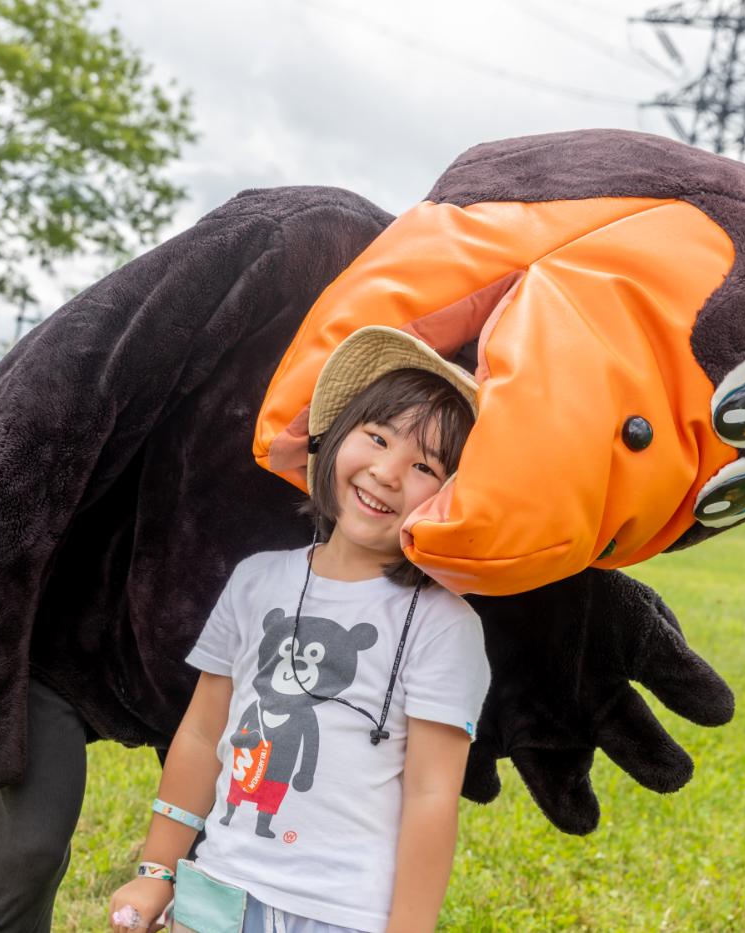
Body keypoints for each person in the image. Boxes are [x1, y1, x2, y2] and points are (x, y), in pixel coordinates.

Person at [108, 326, 492, 933]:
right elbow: (202, 732)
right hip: (216, 892)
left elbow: (431, 796)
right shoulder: (257, 581)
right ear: (337, 436)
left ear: (454, 497)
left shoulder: (445, 626)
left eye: (425, 465)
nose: (388, 472)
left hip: (341, 917)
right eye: (377, 437)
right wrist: (158, 870)